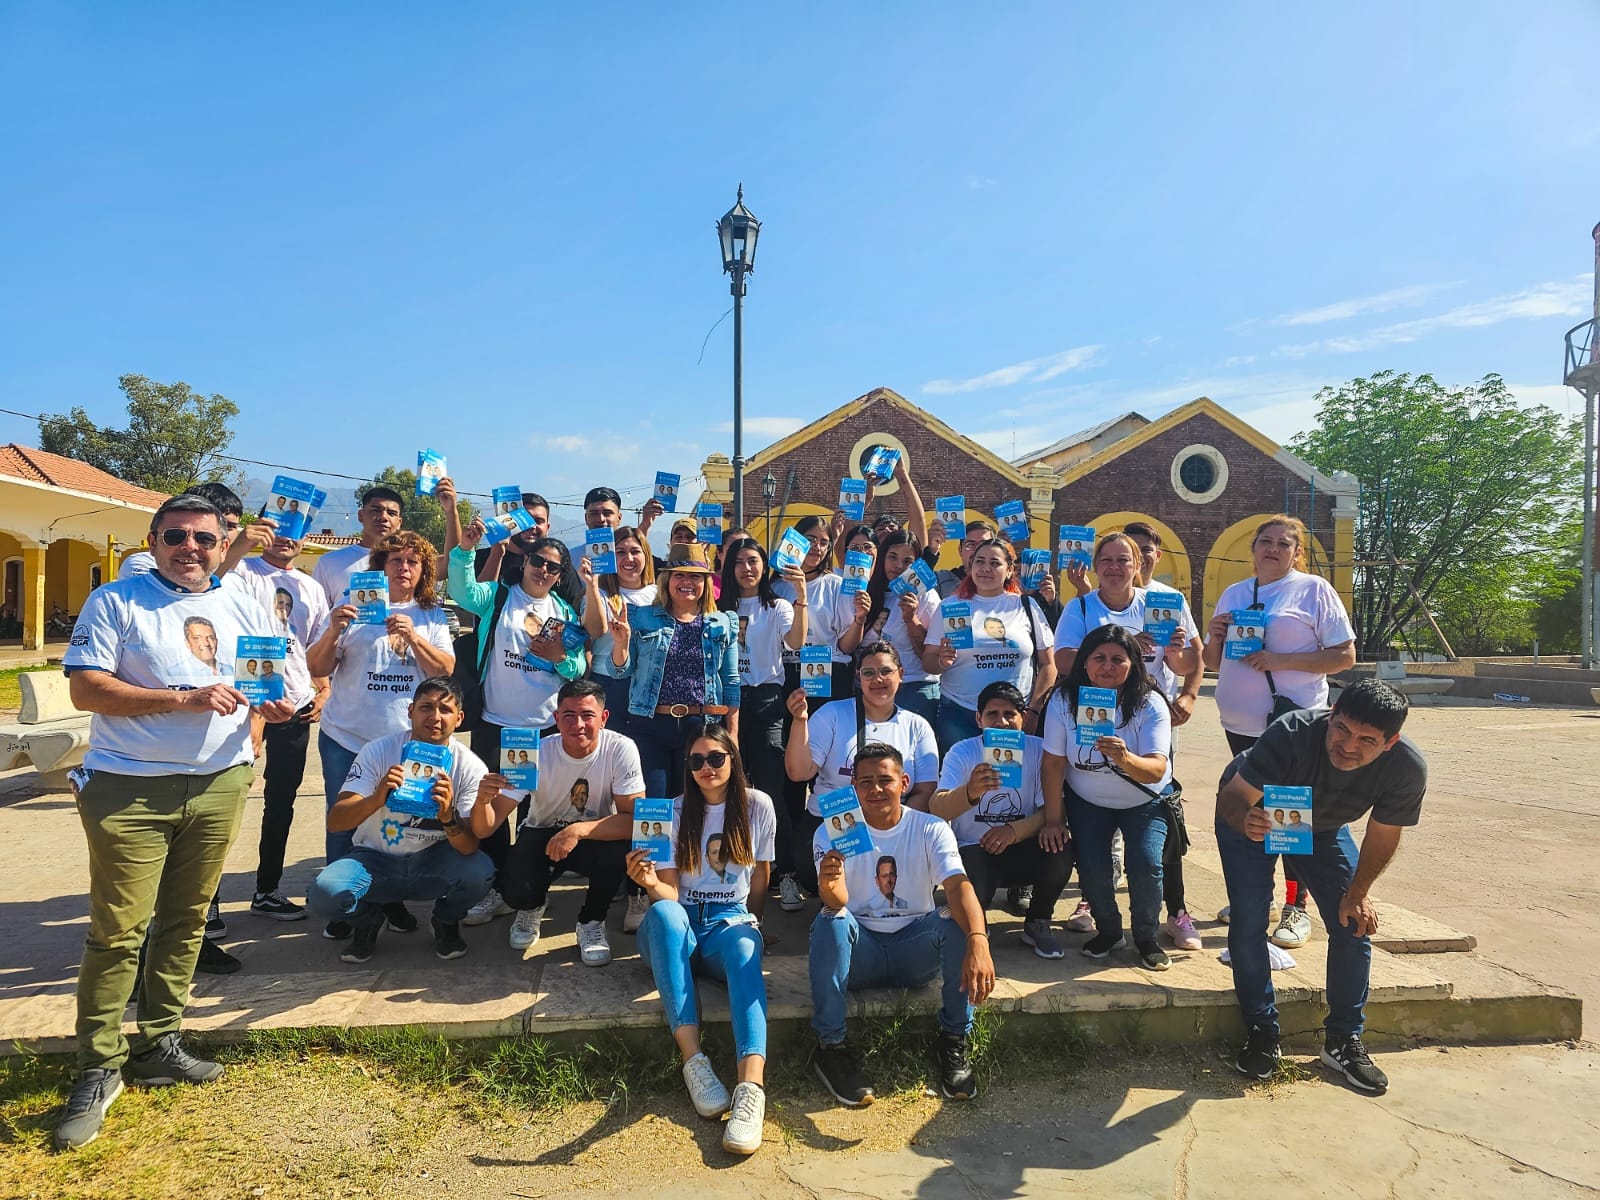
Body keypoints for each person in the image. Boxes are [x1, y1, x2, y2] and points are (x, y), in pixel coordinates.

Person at [54, 494, 298, 1151]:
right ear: (154, 539)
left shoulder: (245, 602)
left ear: (224, 544)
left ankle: (160, 1042)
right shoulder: (117, 600)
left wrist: (261, 725)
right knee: (118, 931)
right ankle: (97, 1067)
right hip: (130, 787)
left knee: (188, 920)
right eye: (175, 536)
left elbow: (261, 685)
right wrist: (182, 698)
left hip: (219, 785)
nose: (190, 547)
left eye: (204, 538)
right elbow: (86, 689)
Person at [1216, 680, 1425, 1093]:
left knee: (1353, 921)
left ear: (1390, 741)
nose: (1349, 746)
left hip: (1324, 825)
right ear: (1331, 714)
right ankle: (1262, 1029)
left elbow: (1383, 835)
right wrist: (1245, 821)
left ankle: (1344, 1039)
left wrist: (1358, 893)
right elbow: (1232, 798)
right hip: (1255, 809)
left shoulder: (1406, 767)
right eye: (1342, 729)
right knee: (1250, 919)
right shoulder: (1291, 732)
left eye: (1367, 740)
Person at [809, 743, 995, 1106]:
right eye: (865, 782)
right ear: (854, 789)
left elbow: (958, 886)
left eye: (885, 780)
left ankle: (953, 1040)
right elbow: (837, 905)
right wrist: (831, 891)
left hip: (914, 947)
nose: (875, 789)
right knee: (830, 919)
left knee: (955, 920)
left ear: (905, 782)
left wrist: (979, 939)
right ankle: (831, 1047)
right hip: (860, 950)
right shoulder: (831, 831)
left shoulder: (931, 828)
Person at [1203, 515, 1356, 950]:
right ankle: (1258, 898)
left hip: (1294, 727)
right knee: (1250, 813)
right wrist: (1214, 637)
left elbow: (1343, 656)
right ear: (1252, 550)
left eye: (1283, 543)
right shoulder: (1236, 592)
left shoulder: (1313, 591)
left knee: (1291, 814)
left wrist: (1279, 660)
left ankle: (1296, 907)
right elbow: (1216, 661)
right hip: (1242, 726)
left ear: (1296, 553)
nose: (1272, 548)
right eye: (1265, 541)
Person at [1053, 526, 1203, 947]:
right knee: (1095, 802)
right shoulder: (1081, 607)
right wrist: (1125, 648)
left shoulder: (1166, 602)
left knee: (1158, 815)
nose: (1115, 567)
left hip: (1149, 713)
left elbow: (1193, 658)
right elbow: (1064, 660)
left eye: (1124, 560)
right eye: (1107, 560)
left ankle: (1175, 910)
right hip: (1094, 713)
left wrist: (1184, 683)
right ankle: (1093, 901)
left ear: (1140, 565)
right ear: (1095, 566)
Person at [627, 727, 774, 1155]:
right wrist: (650, 881)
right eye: (696, 761)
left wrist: (756, 922)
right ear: (686, 767)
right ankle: (695, 1062)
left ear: (733, 760)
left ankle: (751, 1090)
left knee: (746, 946)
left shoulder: (757, 805)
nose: (706, 768)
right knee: (665, 913)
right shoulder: (670, 811)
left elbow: (761, 874)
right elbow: (671, 894)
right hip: (679, 925)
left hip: (727, 923)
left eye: (715, 758)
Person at [306, 531, 455, 939]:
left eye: (413, 562)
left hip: (404, 743)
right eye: (395, 560)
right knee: (344, 822)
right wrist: (334, 630)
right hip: (347, 737)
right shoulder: (349, 606)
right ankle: (347, 908)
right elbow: (316, 666)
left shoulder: (431, 614)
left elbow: (444, 669)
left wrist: (413, 636)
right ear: (381, 566)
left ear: (423, 570)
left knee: (397, 821)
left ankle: (390, 900)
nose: (404, 568)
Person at [449, 524, 588, 930]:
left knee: (534, 814)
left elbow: (577, 670)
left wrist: (559, 656)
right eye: (538, 562)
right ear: (524, 562)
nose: (543, 571)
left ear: (561, 575)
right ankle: (496, 887)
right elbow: (462, 593)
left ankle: (527, 892)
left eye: (553, 567)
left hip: (543, 728)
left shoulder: (564, 612)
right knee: (490, 809)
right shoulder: (500, 596)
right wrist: (464, 551)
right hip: (496, 723)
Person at [308, 677, 494, 965]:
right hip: (375, 859)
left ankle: (445, 921)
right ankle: (368, 920)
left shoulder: (469, 765)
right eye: (426, 707)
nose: (434, 717)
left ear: (459, 719)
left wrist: (447, 817)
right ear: (410, 711)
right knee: (323, 894)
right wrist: (377, 797)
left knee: (479, 872)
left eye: (445, 709)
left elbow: (469, 847)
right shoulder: (379, 750)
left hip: (433, 860)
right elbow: (337, 822)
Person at [470, 680, 644, 958]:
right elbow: (486, 826)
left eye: (587, 715)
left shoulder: (621, 749)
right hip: (541, 831)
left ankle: (591, 921)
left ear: (603, 718)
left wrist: (577, 830)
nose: (578, 725)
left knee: (619, 851)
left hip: (593, 833)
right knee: (515, 890)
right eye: (568, 716)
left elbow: (634, 821)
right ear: (556, 719)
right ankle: (532, 906)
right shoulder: (533, 753)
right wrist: (482, 801)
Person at [1040, 623, 1172, 971]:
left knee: (1145, 865)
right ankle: (1110, 931)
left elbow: (1157, 769)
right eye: (1099, 658)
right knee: (1093, 871)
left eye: (1118, 659)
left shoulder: (1150, 702)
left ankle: (1146, 937)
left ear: (1133, 664)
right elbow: (1052, 764)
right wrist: (1054, 819)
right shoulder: (1064, 699)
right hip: (1088, 802)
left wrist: (1124, 758)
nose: (1108, 666)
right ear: (1084, 662)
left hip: (1144, 801)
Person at [930, 682, 1072, 958]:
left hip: (1023, 848)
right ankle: (976, 921)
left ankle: (1038, 922)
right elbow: (938, 808)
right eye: (992, 714)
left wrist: (1013, 831)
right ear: (978, 719)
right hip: (974, 849)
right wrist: (970, 792)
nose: (1002, 722)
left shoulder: (1040, 749)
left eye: (1010, 714)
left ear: (1023, 718)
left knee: (1061, 846)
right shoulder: (962, 751)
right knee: (973, 879)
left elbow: (1053, 811)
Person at [784, 642, 938, 894]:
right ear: (858, 678)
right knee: (829, 883)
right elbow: (799, 773)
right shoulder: (832, 713)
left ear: (901, 673)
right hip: (834, 819)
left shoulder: (917, 726)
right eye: (868, 673)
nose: (877, 679)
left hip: (891, 821)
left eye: (886, 671)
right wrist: (800, 722)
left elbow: (925, 791)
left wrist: (895, 832)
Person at [238, 526, 333, 922]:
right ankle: (204, 908)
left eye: (296, 533)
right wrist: (253, 715)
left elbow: (316, 647)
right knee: (223, 806)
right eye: (277, 528)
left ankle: (267, 890)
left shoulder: (310, 588)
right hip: (240, 705)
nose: (286, 538)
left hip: (294, 708)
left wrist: (322, 690)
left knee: (281, 803)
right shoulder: (240, 573)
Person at [600, 542, 740, 801]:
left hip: (702, 726)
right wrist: (620, 643)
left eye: (695, 576)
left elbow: (731, 682)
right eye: (679, 575)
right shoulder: (640, 617)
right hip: (651, 723)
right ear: (667, 580)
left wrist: (732, 734)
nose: (687, 582)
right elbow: (620, 671)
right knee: (653, 807)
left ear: (706, 583)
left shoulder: (723, 622)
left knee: (694, 806)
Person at [719, 537, 807, 905]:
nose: (747, 568)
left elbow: (796, 642)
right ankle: (724, 869)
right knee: (724, 787)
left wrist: (801, 596)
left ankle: (785, 873)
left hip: (767, 701)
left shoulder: (778, 606)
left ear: (763, 564)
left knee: (771, 791)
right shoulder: (718, 607)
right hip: (724, 702)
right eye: (739, 562)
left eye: (754, 560)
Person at [923, 537, 1056, 754]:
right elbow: (928, 661)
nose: (986, 569)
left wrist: (1033, 711)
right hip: (959, 713)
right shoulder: (950, 606)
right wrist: (941, 661)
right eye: (979, 561)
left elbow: (1049, 664)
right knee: (963, 781)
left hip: (1012, 716)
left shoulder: (1026, 606)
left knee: (1008, 784)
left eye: (995, 563)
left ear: (1010, 569)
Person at [579, 525, 658, 734]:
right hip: (607, 684)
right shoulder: (599, 593)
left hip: (647, 685)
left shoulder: (659, 595)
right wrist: (592, 586)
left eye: (635, 551)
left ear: (646, 555)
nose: (628, 559)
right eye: (620, 552)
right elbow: (595, 631)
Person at [859, 530, 941, 726]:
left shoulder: (926, 596)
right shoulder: (868, 590)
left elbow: (928, 655)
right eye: (892, 557)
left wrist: (910, 618)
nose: (898, 566)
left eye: (907, 561)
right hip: (869, 686)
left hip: (912, 686)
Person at [311, 486, 406, 609]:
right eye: (375, 510)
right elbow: (317, 617)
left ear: (399, 523)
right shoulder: (329, 562)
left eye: (391, 513)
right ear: (361, 515)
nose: (383, 517)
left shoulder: (410, 565)